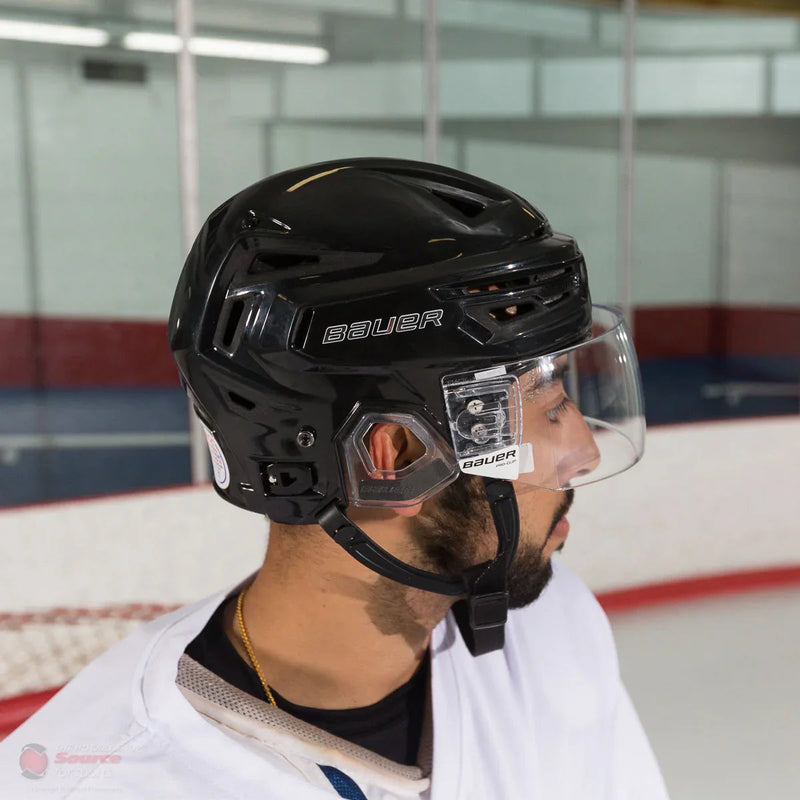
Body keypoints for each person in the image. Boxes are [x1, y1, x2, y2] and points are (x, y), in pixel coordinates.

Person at [0, 159, 669, 799]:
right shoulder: (89, 782)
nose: (581, 449)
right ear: (397, 456)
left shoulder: (554, 631)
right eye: (549, 408)